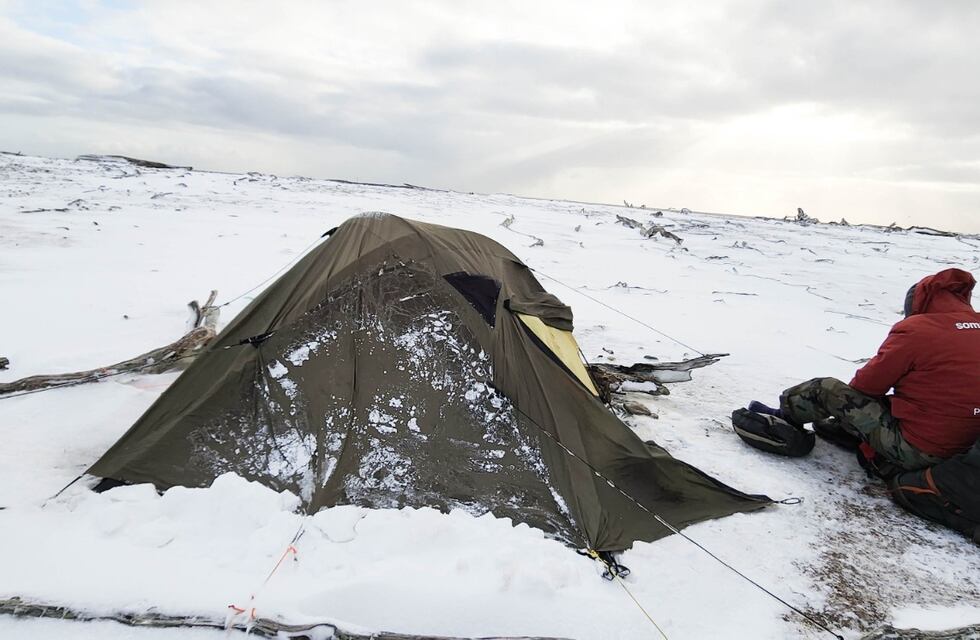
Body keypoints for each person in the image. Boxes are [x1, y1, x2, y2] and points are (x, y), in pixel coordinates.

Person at [735, 268, 980, 477]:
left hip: (922, 451)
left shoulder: (918, 330)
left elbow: (866, 387)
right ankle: (845, 431)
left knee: (827, 390)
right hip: (968, 452)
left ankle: (784, 417)